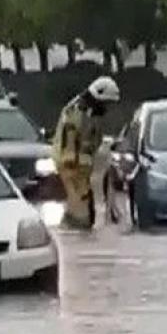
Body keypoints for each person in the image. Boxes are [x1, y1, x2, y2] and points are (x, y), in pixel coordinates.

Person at [53, 75, 119, 229]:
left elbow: (94, 140)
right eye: (106, 103)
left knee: (84, 211)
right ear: (98, 98)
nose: (108, 108)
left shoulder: (89, 113)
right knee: (81, 214)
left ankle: (71, 224)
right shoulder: (76, 112)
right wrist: (72, 161)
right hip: (71, 167)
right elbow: (71, 138)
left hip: (80, 170)